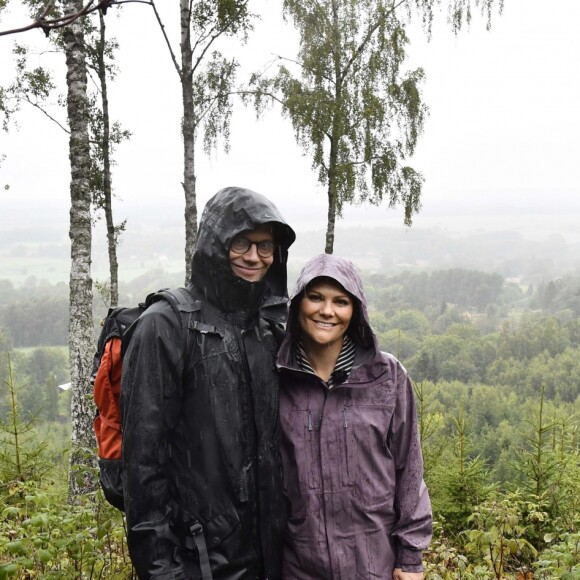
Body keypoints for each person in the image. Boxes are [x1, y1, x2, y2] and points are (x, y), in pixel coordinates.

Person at [121, 186, 296, 579]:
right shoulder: (165, 326)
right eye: (242, 243)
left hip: (271, 561)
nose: (255, 257)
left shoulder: (269, 331)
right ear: (216, 243)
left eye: (265, 246)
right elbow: (144, 468)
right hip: (195, 564)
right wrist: (162, 571)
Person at [277, 254, 432, 580]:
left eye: (341, 301)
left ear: (355, 311)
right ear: (298, 305)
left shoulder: (386, 377)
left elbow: (410, 469)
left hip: (373, 562)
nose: (327, 311)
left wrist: (411, 556)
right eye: (315, 297)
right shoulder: (277, 378)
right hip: (298, 564)